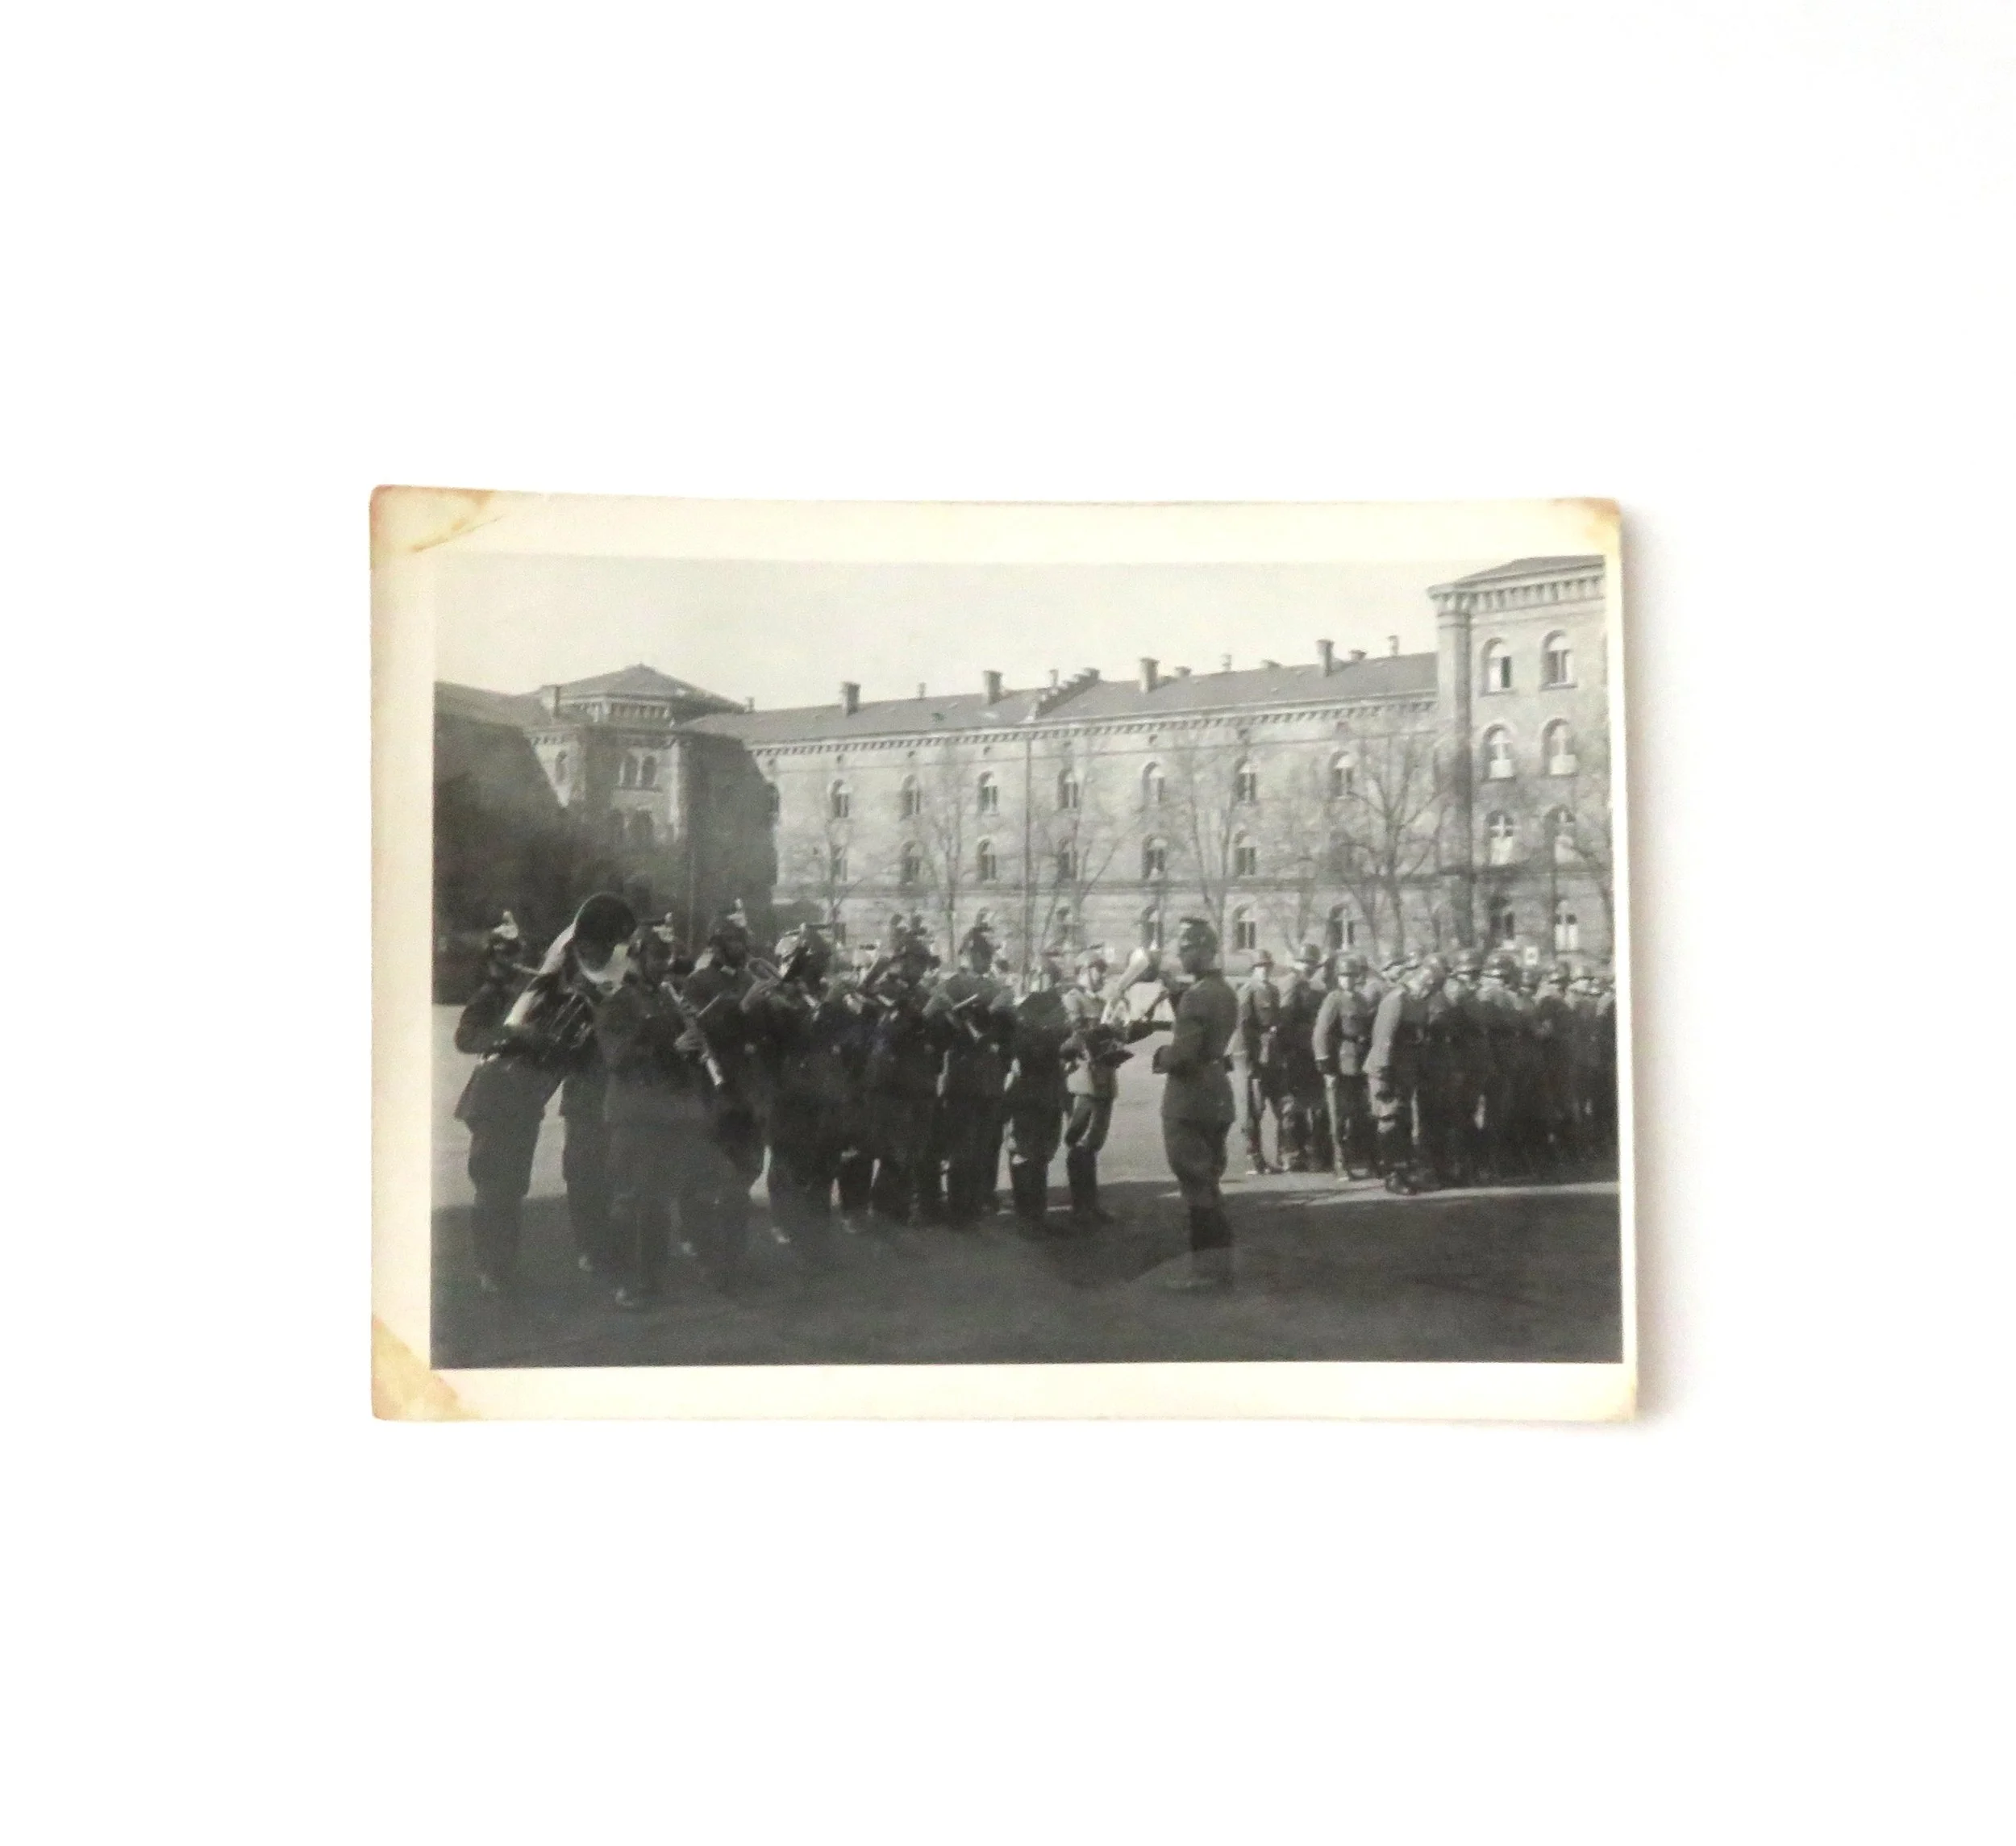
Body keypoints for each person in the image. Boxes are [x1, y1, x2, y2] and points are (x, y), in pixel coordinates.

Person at [452, 895, 634, 1294]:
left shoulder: (554, 996)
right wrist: (514, 1033)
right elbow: (465, 1037)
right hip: (493, 1095)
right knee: (495, 1188)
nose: (512, 960)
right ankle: (493, 1270)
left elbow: (573, 1055)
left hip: (525, 1101)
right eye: (504, 954)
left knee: (512, 1187)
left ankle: (502, 1268)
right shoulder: (503, 992)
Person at [595, 914, 737, 1309]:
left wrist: (696, 1045)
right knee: (638, 1203)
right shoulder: (618, 1001)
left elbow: (681, 1050)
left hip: (672, 1113)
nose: (664, 964)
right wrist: (670, 1048)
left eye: (667, 957)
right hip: (636, 1114)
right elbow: (616, 1058)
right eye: (657, 957)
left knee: (681, 1193)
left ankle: (676, 1272)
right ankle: (633, 1282)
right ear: (637, 957)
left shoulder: (667, 997)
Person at [743, 926, 848, 1258]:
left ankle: (816, 1236)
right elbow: (801, 1035)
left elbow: (842, 1034)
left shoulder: (815, 993)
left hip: (823, 1090)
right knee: (791, 1165)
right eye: (815, 960)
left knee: (823, 1165)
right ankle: (790, 1231)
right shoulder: (776, 997)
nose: (821, 966)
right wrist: (826, 1006)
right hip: (791, 1093)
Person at [677, 903, 764, 1284]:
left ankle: (735, 1257)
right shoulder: (698, 983)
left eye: (743, 939)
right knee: (714, 1181)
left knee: (743, 1178)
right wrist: (743, 1009)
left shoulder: (749, 978)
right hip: (714, 1092)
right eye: (734, 940)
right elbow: (702, 1030)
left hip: (747, 1092)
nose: (742, 946)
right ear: (717, 943)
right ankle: (711, 1256)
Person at [1152, 917, 1241, 1290]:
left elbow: (1184, 1054)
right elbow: (1207, 1030)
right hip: (1217, 1091)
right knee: (1210, 1182)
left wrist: (1160, 1055)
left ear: (1204, 951)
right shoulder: (1224, 991)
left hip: (1189, 1099)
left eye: (1187, 950)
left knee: (1195, 1186)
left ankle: (1208, 1273)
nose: (1182, 957)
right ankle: (1220, 1268)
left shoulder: (1196, 996)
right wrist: (1178, 997)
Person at [927, 923, 1018, 1224]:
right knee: (961, 1146)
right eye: (974, 953)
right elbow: (932, 1026)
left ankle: (979, 1199)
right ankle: (959, 1205)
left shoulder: (997, 989)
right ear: (964, 955)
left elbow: (1009, 1033)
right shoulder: (949, 987)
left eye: (984, 954)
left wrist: (996, 1022)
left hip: (988, 1077)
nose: (980, 959)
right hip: (961, 1075)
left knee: (986, 1143)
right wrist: (953, 1020)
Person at [1002, 948, 1075, 1227]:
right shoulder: (1022, 1010)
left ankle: (1037, 1212)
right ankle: (1027, 1214)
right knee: (1024, 1151)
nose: (1045, 982)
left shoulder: (1059, 1008)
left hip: (1049, 1088)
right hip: (1027, 1089)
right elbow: (1018, 1048)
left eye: (1049, 977)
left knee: (1043, 1152)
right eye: (1040, 976)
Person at [1364, 956, 1433, 1192]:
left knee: (1403, 1121)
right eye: (1428, 987)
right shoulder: (1396, 1000)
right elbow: (1383, 1039)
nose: (1428, 992)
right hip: (1387, 1070)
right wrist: (1383, 1075)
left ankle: (1403, 1170)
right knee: (1389, 1121)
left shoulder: (1417, 1001)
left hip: (1405, 1068)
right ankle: (1392, 1175)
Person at [1313, 952, 1377, 1179]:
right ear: (1338, 977)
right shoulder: (1334, 999)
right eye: (1344, 976)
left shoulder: (1361, 1000)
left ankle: (1362, 1158)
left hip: (1360, 1061)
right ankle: (1340, 1162)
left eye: (1352, 975)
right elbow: (1321, 1032)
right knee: (1338, 1115)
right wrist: (1324, 1062)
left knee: (1360, 1113)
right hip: (1340, 1062)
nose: (1348, 980)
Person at [1276, 944, 1329, 1170]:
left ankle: (1311, 1151)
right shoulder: (1291, 983)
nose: (1308, 966)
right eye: (1304, 962)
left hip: (1310, 1052)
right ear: (1296, 962)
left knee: (1315, 1104)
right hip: (1294, 1052)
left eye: (1311, 963)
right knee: (1293, 1106)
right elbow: (1284, 1020)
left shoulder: (1316, 987)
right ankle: (1292, 1154)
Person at [1234, 948, 1284, 1175]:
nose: (1264, 970)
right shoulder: (1247, 990)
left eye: (1267, 966)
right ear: (1253, 969)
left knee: (1273, 1105)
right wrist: (1248, 1059)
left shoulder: (1273, 990)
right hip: (1252, 1055)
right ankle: (1254, 1158)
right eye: (1260, 967)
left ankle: (1277, 1157)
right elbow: (1242, 1027)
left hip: (1270, 1055)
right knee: (1252, 1108)